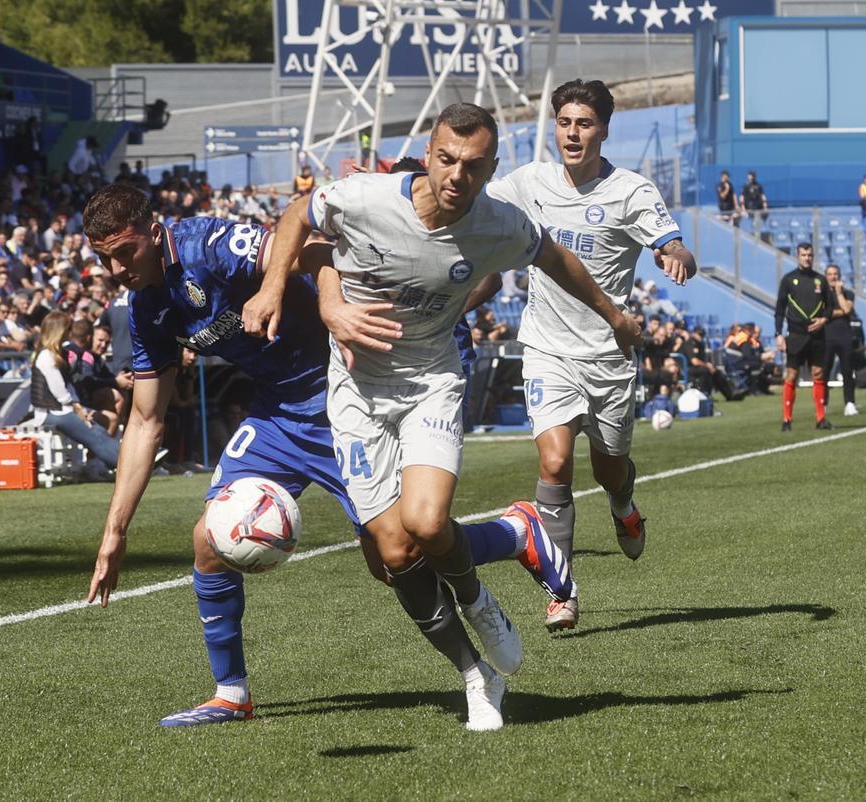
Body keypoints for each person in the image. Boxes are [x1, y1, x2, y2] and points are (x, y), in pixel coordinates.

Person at [82, 180, 581, 733]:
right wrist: (115, 532)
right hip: (277, 415)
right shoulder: (147, 307)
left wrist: (328, 304)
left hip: (345, 396)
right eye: (105, 259)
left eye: (125, 252)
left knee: (396, 557)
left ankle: (515, 534)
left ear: (154, 234)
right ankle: (232, 692)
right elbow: (146, 420)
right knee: (209, 537)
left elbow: (318, 248)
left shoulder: (210, 245)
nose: (116, 269)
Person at [243, 102, 643, 727]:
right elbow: (300, 215)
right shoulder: (367, 197)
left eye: (474, 166)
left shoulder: (497, 224)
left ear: (490, 169)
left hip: (431, 382)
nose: (457, 175)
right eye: (447, 160)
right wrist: (274, 289)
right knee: (395, 555)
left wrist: (614, 315)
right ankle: (474, 675)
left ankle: (480, 599)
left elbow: (555, 256)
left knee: (428, 525)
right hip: (355, 398)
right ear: (428, 155)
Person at [483, 80, 696, 628]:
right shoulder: (529, 182)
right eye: (564, 122)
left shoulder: (630, 190)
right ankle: (563, 590)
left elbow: (670, 243)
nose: (572, 133)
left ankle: (624, 504)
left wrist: (676, 254)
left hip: (609, 353)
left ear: (603, 129)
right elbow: (471, 196)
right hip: (547, 348)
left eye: (583, 124)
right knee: (554, 463)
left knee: (609, 469)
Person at [30, 311, 119, 468]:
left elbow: (67, 386)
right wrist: (78, 409)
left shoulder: (56, 354)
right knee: (93, 432)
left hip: (61, 410)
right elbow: (59, 391)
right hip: (51, 412)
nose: (70, 332)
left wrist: (78, 407)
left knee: (97, 429)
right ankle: (130, 464)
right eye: (68, 328)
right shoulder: (46, 356)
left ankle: (117, 463)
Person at [774, 242, 835, 431]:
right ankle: (786, 420)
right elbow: (779, 309)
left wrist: (823, 320)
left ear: (813, 257)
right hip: (796, 335)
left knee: (818, 373)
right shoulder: (788, 280)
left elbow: (831, 307)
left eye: (810, 255)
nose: (807, 258)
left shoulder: (821, 280)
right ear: (797, 256)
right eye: (803, 255)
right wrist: (778, 334)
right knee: (792, 375)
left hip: (817, 335)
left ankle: (821, 418)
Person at [822, 264, 859, 417]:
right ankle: (823, 403)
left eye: (835, 274)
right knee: (824, 371)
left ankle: (849, 403)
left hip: (844, 336)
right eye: (830, 274)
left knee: (847, 371)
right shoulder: (821, 294)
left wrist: (838, 294)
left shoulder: (847, 293)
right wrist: (838, 312)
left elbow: (847, 309)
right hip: (826, 336)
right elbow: (823, 312)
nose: (833, 277)